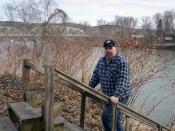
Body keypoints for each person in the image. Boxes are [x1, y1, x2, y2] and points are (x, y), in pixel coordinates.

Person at [89, 40, 131, 131]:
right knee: (115, 120)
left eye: (110, 48)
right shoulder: (101, 61)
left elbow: (123, 80)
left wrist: (116, 95)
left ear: (115, 48)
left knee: (107, 117)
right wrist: (89, 87)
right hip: (108, 96)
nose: (108, 50)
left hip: (121, 97)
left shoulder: (122, 62)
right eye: (106, 48)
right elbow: (95, 76)